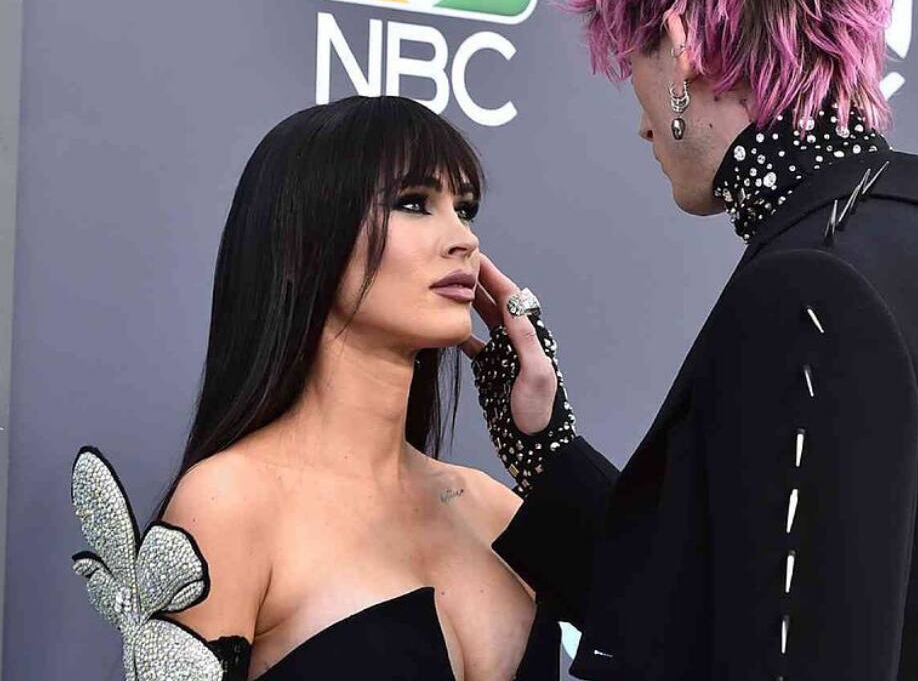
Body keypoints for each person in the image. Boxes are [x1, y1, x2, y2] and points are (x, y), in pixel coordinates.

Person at [462, 0, 918, 679]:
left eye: (635, 63)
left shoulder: (810, 293)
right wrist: (545, 446)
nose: (641, 121)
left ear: (683, 49)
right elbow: (714, 606)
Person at [68, 95, 562, 680]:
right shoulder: (231, 503)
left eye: (465, 209)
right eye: (413, 203)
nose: (464, 240)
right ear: (308, 240)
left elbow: (654, 626)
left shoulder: (495, 508)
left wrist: (547, 448)